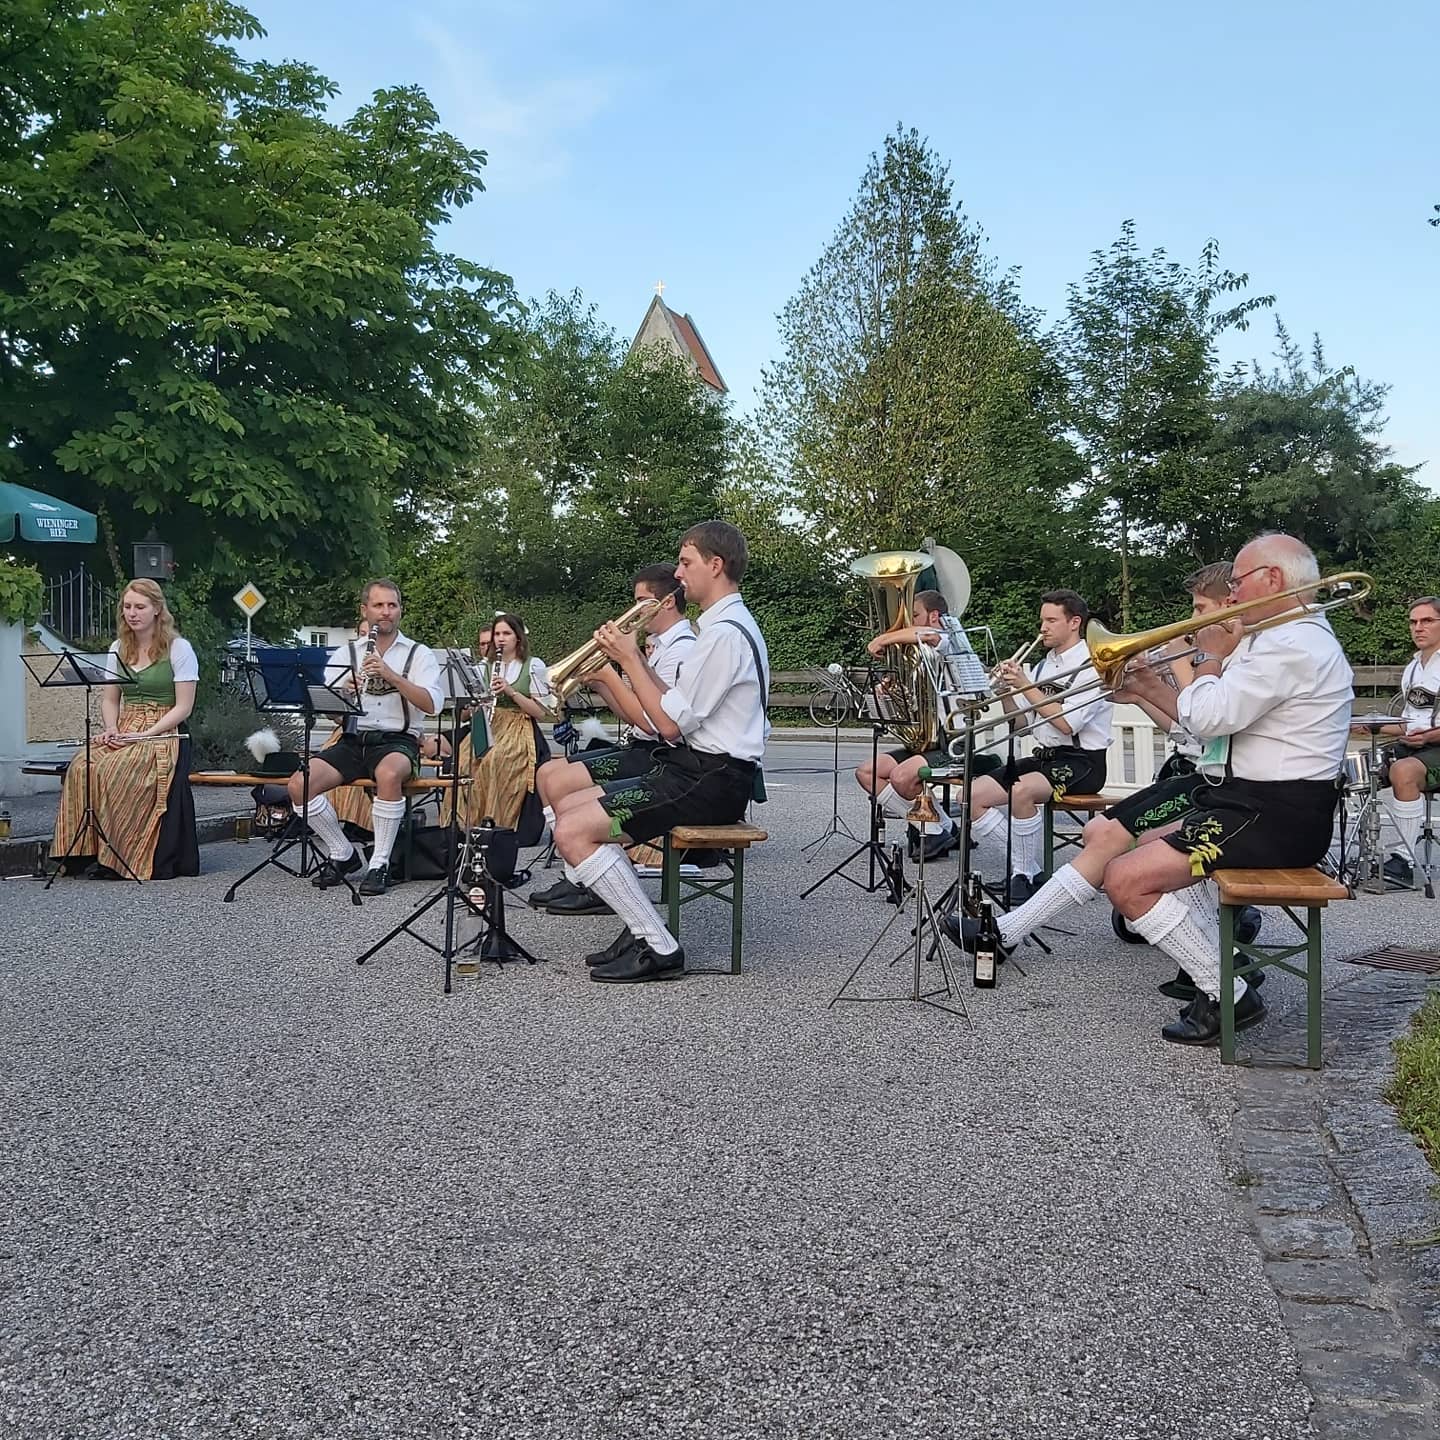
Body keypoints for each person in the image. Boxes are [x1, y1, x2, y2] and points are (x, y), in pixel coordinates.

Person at [1098, 533, 1350, 1046]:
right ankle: (1226, 965)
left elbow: (1209, 716)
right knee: (1143, 846)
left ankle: (1228, 992)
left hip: (1277, 812)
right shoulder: (1279, 638)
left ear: (1272, 579)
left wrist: (1208, 657)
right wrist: (1160, 681)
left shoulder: (1294, 644)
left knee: (1125, 880)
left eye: (1237, 583)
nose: (1231, 596)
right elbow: (1201, 723)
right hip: (1250, 800)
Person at [943, 563, 1245, 980]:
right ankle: (1011, 919)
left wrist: (1170, 668)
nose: (1194, 622)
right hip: (1184, 769)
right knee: (1092, 832)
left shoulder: (1231, 660)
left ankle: (1221, 958)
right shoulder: (1047, 664)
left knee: (1103, 836)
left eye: (1200, 609)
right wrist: (1140, 693)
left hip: (1109, 765)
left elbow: (1198, 728)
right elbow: (1184, 727)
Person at [551, 520, 768, 984]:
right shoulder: (720, 629)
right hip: (696, 772)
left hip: (710, 781)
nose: (679, 571)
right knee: (569, 803)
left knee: (572, 830)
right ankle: (641, 929)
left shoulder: (725, 635)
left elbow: (667, 727)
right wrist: (640, 664)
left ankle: (658, 944)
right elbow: (675, 703)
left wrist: (628, 660)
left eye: (687, 562)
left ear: (716, 565)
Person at [531, 564, 698, 914]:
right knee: (548, 773)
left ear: (666, 603)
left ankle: (592, 880)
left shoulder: (682, 649)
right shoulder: (659, 646)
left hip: (655, 753)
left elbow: (653, 724)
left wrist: (612, 673)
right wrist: (603, 683)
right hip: (643, 745)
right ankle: (580, 874)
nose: (632, 611)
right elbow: (632, 714)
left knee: (558, 780)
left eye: (641, 601)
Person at [291, 578, 443, 896]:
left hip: (398, 740)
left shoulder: (419, 654)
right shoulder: (348, 653)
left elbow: (430, 704)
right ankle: (342, 853)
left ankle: (380, 863)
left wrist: (390, 675)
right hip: (354, 739)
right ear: (365, 610)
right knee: (299, 784)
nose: (386, 612)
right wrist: (344, 697)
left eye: (392, 605)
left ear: (400, 610)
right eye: (379, 605)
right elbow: (331, 712)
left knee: (388, 774)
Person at [965, 590, 1114, 904]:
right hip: (1045, 758)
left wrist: (1026, 686)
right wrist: (1007, 692)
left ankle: (1022, 875)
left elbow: (1067, 725)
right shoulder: (1045, 665)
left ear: (1074, 623)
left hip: (1083, 761)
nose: (1043, 628)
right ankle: (1028, 869)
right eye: (1042, 620)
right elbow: (1020, 725)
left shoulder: (1091, 665)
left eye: (1051, 620)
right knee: (974, 795)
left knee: (1021, 791)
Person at [51, 578, 199, 880]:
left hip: (164, 730)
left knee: (118, 767)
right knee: (83, 764)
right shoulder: (119, 648)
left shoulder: (179, 648)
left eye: (140, 607)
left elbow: (183, 707)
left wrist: (146, 734)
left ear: (157, 609)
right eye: (128, 606)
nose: (132, 613)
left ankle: (121, 854)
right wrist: (111, 729)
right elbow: (110, 699)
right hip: (126, 724)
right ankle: (83, 853)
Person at [854, 589, 996, 861]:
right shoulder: (924, 657)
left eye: (914, 616)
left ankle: (932, 829)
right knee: (867, 772)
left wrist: (885, 638)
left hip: (955, 743)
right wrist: (890, 688)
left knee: (901, 777)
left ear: (933, 615)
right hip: (927, 741)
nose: (909, 624)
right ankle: (938, 826)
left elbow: (930, 636)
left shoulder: (949, 639)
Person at [1364, 596, 1440, 884]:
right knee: (1352, 767)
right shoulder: (1413, 668)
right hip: (1416, 745)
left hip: (1437, 747)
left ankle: (1406, 862)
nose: (1418, 628)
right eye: (1413, 622)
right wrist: (1371, 726)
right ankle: (1351, 854)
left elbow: (1426, 729)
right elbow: (1410, 723)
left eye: (1427, 621)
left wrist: (1430, 735)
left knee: (1403, 770)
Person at [455, 613, 552, 837]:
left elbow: (541, 712)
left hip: (519, 725)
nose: (500, 639)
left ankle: (498, 827)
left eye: (506, 633)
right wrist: (476, 702)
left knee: (496, 759)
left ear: (518, 637)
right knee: (465, 760)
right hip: (489, 723)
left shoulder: (533, 665)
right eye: (497, 634)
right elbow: (463, 717)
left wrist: (511, 691)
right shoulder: (482, 668)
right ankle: (466, 827)